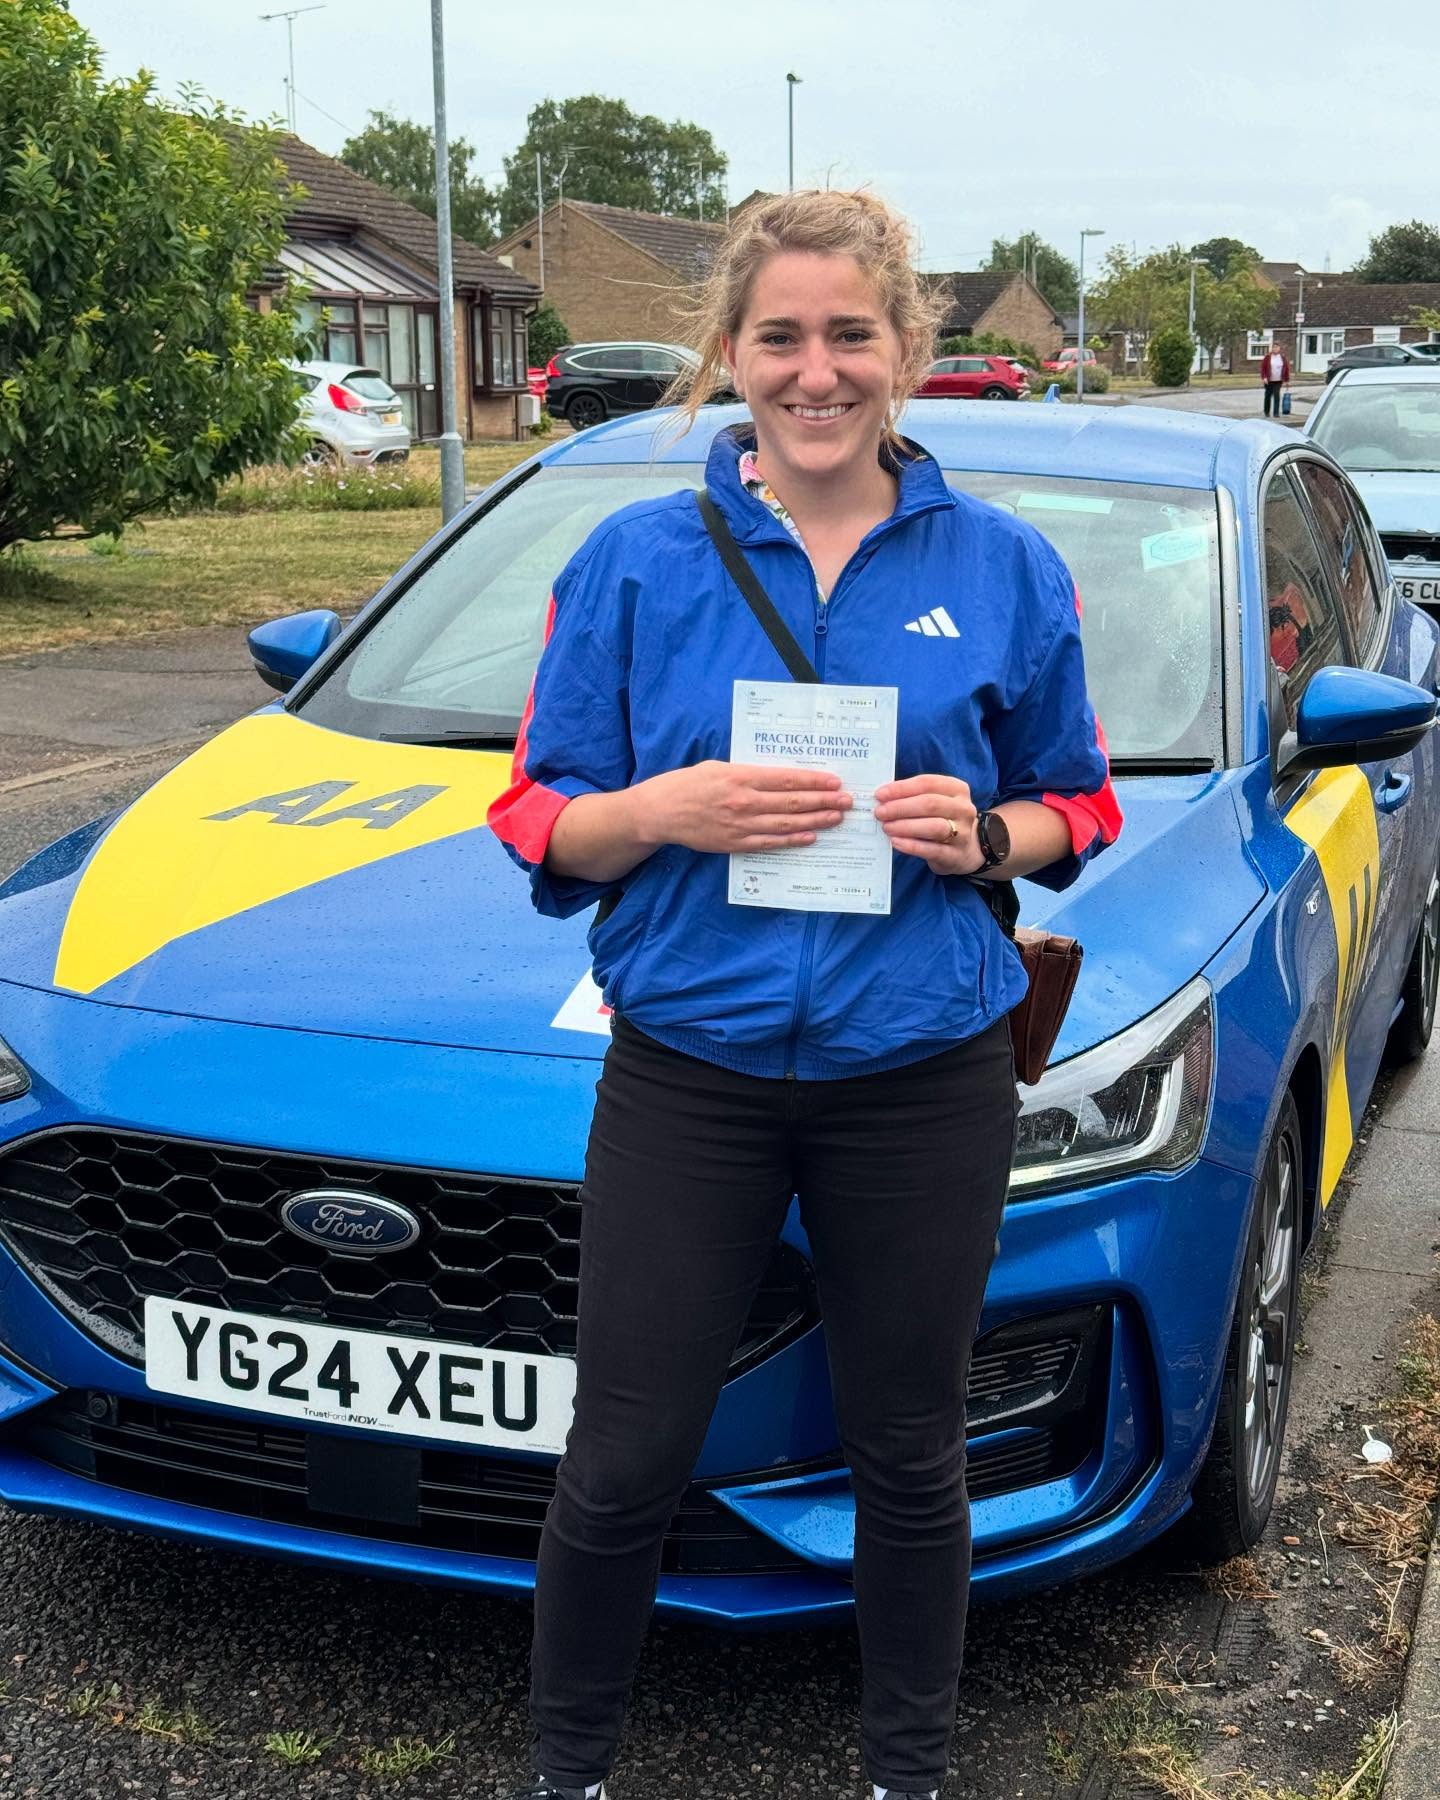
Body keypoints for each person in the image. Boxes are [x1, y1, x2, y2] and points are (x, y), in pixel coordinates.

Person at [488, 188, 1121, 1800]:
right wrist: (663, 814)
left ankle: (906, 1773)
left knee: (911, 1455)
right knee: (625, 1457)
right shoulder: (634, 560)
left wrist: (983, 827)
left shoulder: (1004, 565)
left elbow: (1082, 801)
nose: (817, 370)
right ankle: (569, 1774)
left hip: (920, 1074)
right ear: (731, 353)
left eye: (852, 334)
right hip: (689, 1071)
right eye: (781, 336)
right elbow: (538, 809)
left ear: (907, 350)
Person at [1261, 341, 1291, 417]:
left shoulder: (1282, 357)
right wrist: (1264, 377)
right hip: (1269, 380)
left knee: (1276, 396)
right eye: (1274, 347)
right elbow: (1263, 368)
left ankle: (1276, 413)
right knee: (1268, 396)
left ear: (1279, 348)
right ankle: (1266, 411)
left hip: (1278, 380)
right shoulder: (1268, 357)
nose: (1275, 349)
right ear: (1272, 348)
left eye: (1277, 347)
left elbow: (1286, 368)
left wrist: (1287, 380)